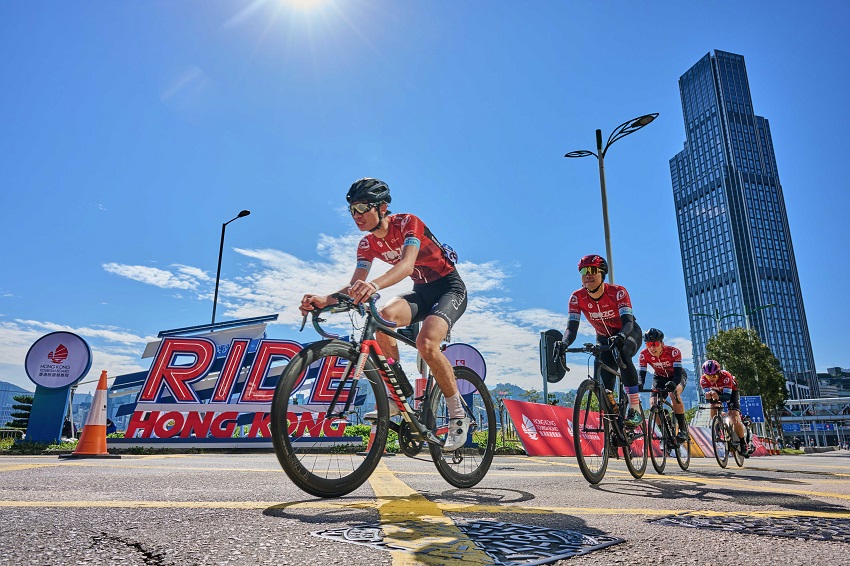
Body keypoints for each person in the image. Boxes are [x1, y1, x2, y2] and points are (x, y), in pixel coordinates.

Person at [299, 178, 469, 451]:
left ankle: (457, 415)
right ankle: (399, 391)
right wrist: (324, 299)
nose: (357, 216)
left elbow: (406, 265)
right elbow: (355, 285)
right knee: (383, 318)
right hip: (422, 291)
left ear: (382, 207)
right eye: (352, 210)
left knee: (427, 344)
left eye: (363, 208)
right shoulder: (367, 244)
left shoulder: (407, 223)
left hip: (449, 288)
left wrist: (375, 285)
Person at [553, 254, 644, 427]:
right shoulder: (576, 298)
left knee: (623, 353)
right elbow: (571, 329)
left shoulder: (618, 292)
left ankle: (635, 408)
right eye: (584, 271)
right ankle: (614, 428)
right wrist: (564, 342)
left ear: (602, 274)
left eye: (593, 270)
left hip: (628, 332)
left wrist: (621, 337)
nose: (588, 274)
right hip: (603, 338)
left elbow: (628, 323)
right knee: (603, 388)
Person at [639, 328, 689, 443]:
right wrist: (640, 383)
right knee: (653, 404)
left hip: (676, 376)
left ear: (662, 343)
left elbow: (677, 374)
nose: (652, 347)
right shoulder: (643, 355)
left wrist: (673, 384)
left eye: (655, 344)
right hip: (659, 377)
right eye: (649, 344)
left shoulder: (673, 352)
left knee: (674, 394)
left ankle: (683, 429)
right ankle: (664, 435)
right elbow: (642, 373)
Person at [700, 359, 751, 457]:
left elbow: (727, 397)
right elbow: (708, 399)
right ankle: (717, 426)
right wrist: (710, 398)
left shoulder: (726, 376)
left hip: (731, 393)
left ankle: (743, 443)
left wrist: (718, 396)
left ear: (719, 373)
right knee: (713, 405)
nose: (711, 379)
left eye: (714, 376)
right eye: (708, 376)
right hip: (717, 392)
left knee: (734, 416)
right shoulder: (703, 380)